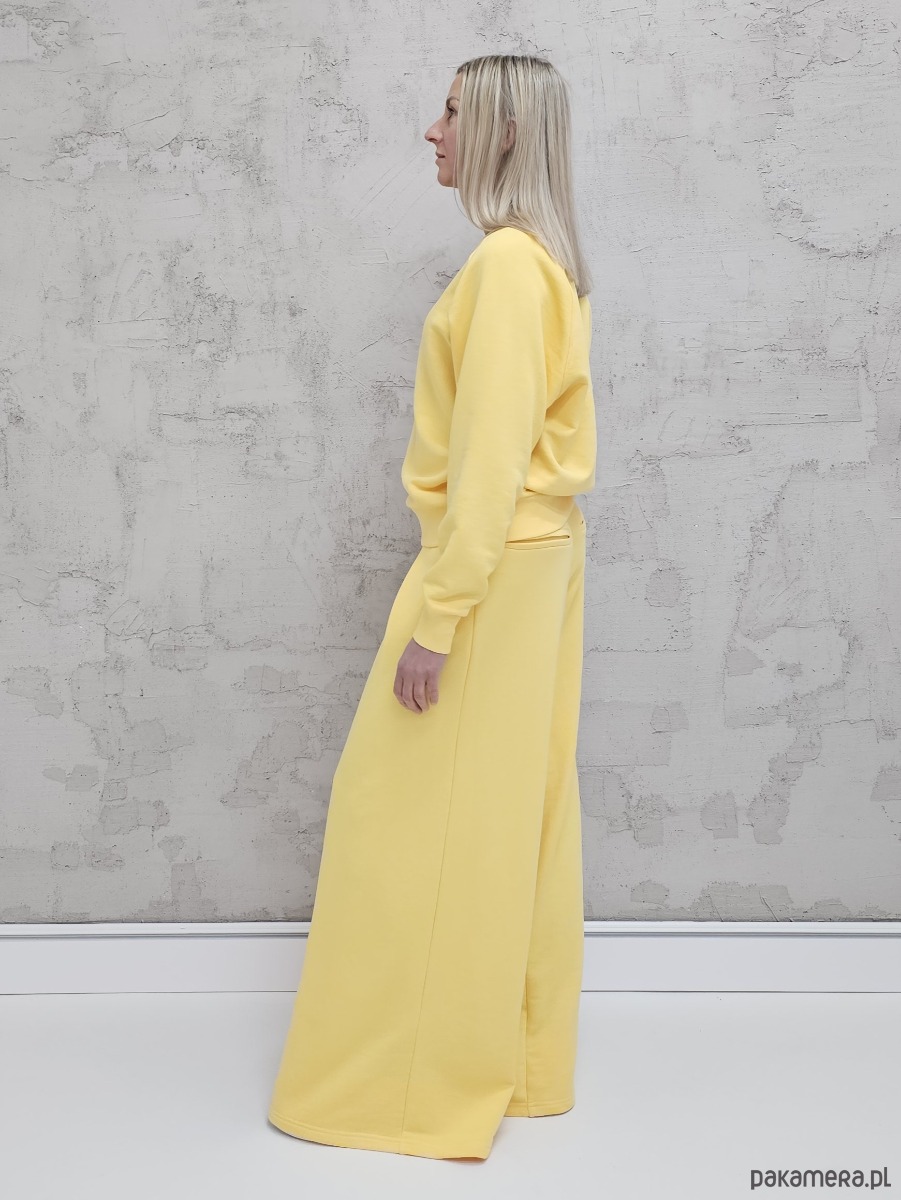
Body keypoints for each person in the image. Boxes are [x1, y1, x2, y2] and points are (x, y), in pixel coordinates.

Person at [268, 52, 597, 1161]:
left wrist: (439, 619)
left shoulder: (506, 266)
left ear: (502, 131)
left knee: (401, 822)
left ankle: (397, 1092)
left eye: (452, 112)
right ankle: (519, 1068)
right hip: (537, 559)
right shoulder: (543, 260)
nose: (432, 130)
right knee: (515, 816)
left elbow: (490, 463)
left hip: (490, 567)